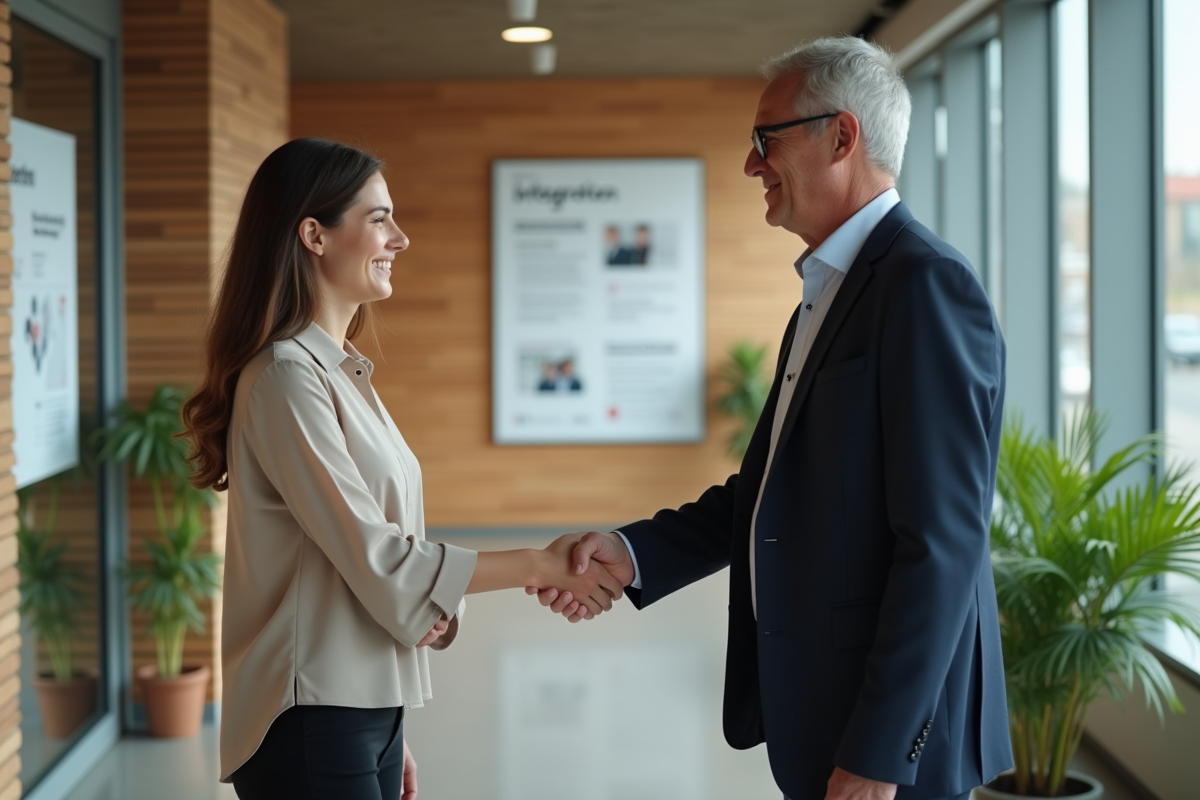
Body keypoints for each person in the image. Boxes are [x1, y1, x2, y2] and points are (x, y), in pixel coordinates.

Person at [532, 37, 1012, 800]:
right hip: (828, 715)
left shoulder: (924, 286)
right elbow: (771, 495)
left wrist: (881, 754)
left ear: (842, 137)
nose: (752, 164)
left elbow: (943, 544)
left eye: (767, 139)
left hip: (891, 744)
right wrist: (631, 552)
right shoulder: (828, 292)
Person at [181, 138, 623, 800]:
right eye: (380, 217)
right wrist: (537, 563)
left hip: (358, 710)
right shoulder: (284, 379)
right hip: (311, 719)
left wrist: (386, 726)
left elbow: (367, 555)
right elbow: (374, 554)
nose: (401, 238)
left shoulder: (339, 372)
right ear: (315, 236)